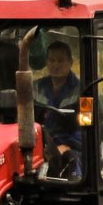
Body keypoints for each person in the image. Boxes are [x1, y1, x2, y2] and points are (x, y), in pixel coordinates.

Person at [33, 40, 83, 180]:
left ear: (70, 62)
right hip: (40, 147)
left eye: (60, 60)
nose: (55, 65)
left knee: (71, 161)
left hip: (72, 149)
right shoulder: (36, 88)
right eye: (52, 60)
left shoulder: (83, 91)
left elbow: (87, 127)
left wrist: (67, 146)